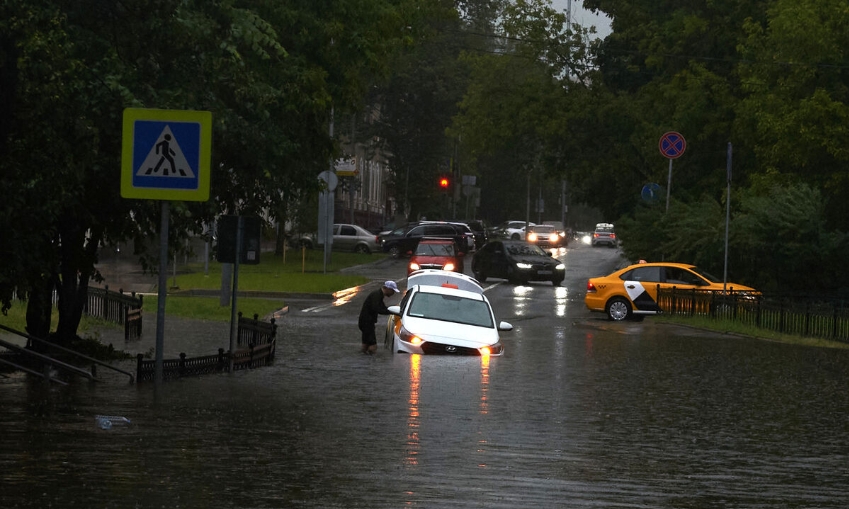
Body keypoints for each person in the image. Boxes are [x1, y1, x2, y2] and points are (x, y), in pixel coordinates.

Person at [358, 280, 400, 354]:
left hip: (365, 322)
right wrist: (393, 312)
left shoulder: (378, 295)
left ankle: (363, 358)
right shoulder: (376, 295)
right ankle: (371, 361)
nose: (393, 293)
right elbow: (379, 309)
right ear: (387, 288)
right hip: (367, 323)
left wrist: (392, 311)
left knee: (366, 343)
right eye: (392, 291)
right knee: (373, 345)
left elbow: (383, 308)